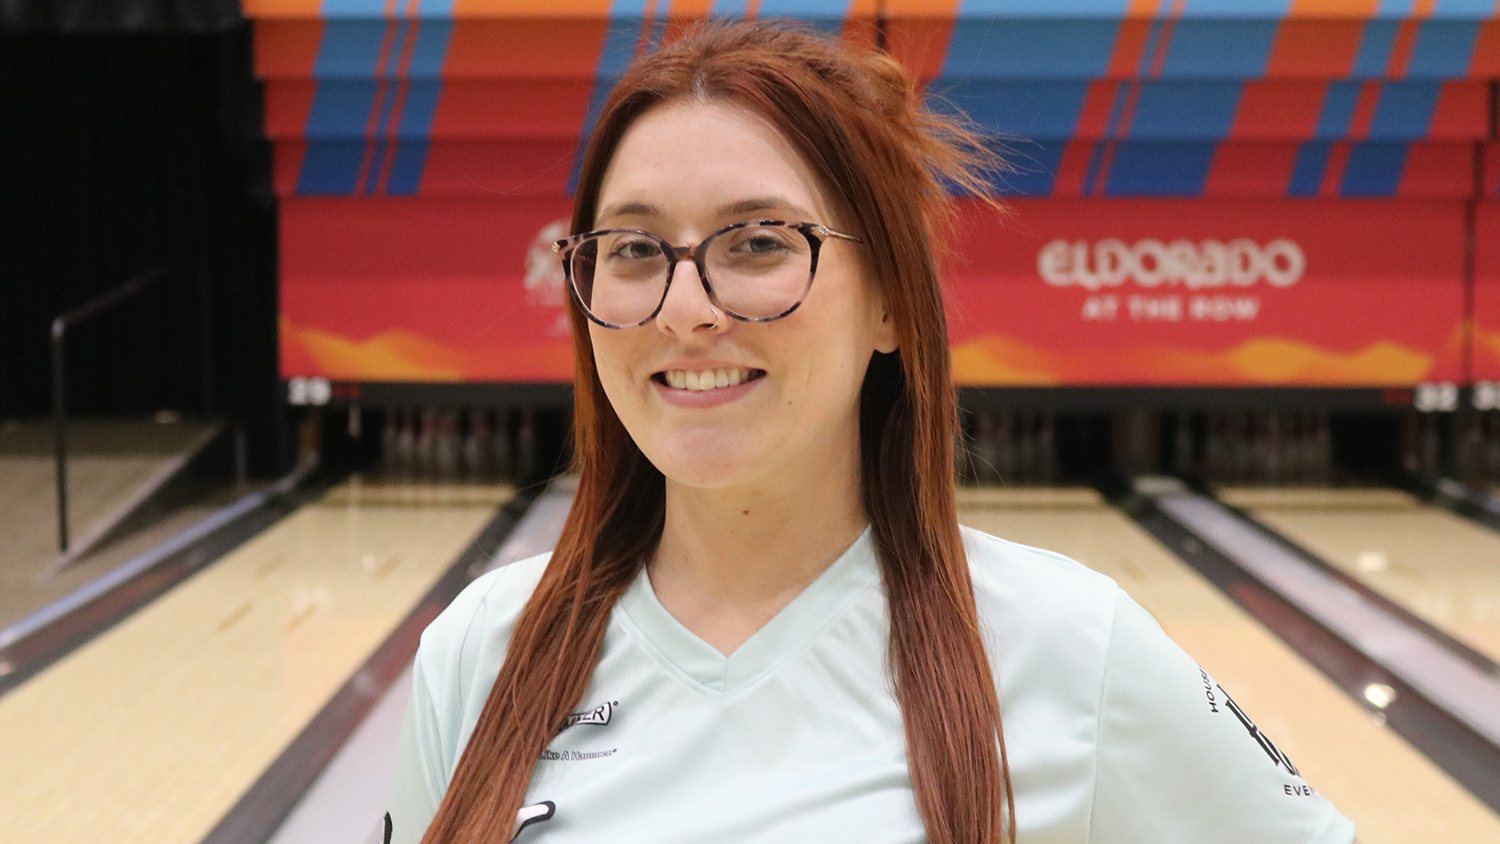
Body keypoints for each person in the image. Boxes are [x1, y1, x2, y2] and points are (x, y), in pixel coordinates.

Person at [383, 21, 1356, 844]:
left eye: (758, 242)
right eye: (635, 249)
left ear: (891, 299)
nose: (686, 307)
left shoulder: (1068, 649)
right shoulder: (480, 653)